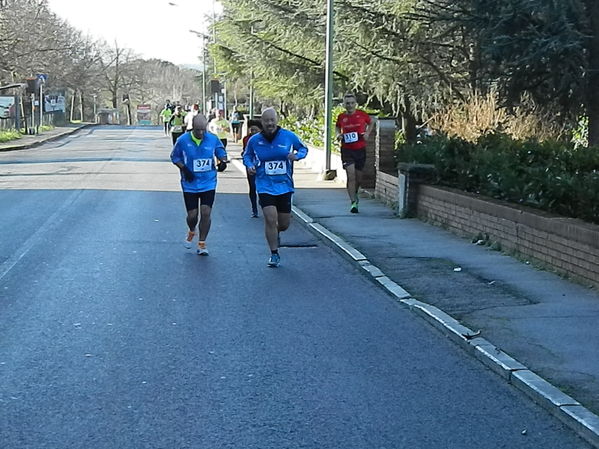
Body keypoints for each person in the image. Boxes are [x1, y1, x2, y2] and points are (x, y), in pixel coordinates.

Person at [243, 108, 308, 267]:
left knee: (283, 224)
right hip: (264, 185)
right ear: (262, 122)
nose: (270, 123)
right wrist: (250, 165)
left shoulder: (288, 136)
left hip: (284, 186)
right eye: (266, 121)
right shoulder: (254, 140)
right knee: (270, 218)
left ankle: (276, 233)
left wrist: (297, 156)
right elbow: (247, 155)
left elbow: (303, 148)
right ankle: (274, 253)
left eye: (272, 120)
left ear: (277, 121)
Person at [170, 113, 228, 256]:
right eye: (198, 130)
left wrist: (222, 162)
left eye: (203, 130)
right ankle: (191, 230)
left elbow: (221, 152)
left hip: (208, 182)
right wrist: (184, 168)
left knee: (206, 212)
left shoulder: (212, 139)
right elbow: (174, 156)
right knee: (192, 215)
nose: (201, 133)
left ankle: (202, 243)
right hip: (190, 183)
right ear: (192, 128)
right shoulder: (183, 140)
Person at [335, 92, 374, 214]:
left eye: (352, 103)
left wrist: (367, 133)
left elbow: (371, 122)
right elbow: (337, 127)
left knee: (358, 178)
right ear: (344, 104)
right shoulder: (341, 116)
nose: (350, 105)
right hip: (347, 150)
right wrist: (338, 135)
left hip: (360, 149)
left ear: (355, 104)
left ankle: (355, 193)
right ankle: (353, 202)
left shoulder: (362, 115)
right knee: (351, 175)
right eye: (347, 103)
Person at [241, 120, 262, 218]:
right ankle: (254, 208)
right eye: (251, 130)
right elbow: (245, 151)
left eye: (255, 130)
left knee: (262, 185)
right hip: (251, 165)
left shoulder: (264, 139)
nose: (253, 132)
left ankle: (262, 200)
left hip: (261, 165)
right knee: (252, 187)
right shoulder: (246, 139)